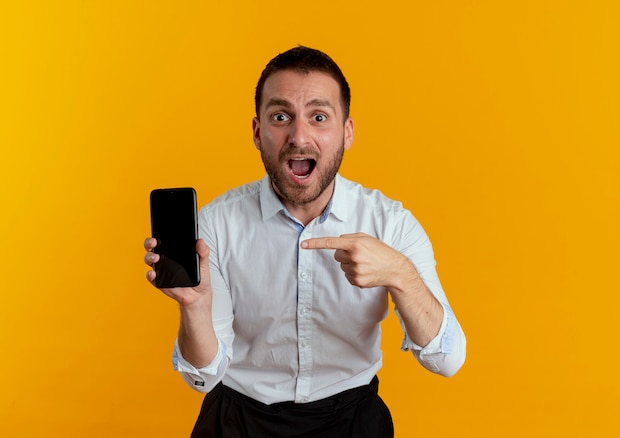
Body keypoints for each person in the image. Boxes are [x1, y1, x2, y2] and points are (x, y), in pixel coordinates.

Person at [143, 46, 466, 437]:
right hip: (238, 422)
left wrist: (401, 275)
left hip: (352, 423)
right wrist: (194, 308)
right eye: (281, 117)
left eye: (319, 117)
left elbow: (447, 360)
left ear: (347, 132)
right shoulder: (215, 224)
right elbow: (203, 378)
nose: (299, 136)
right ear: (258, 132)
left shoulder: (391, 224)